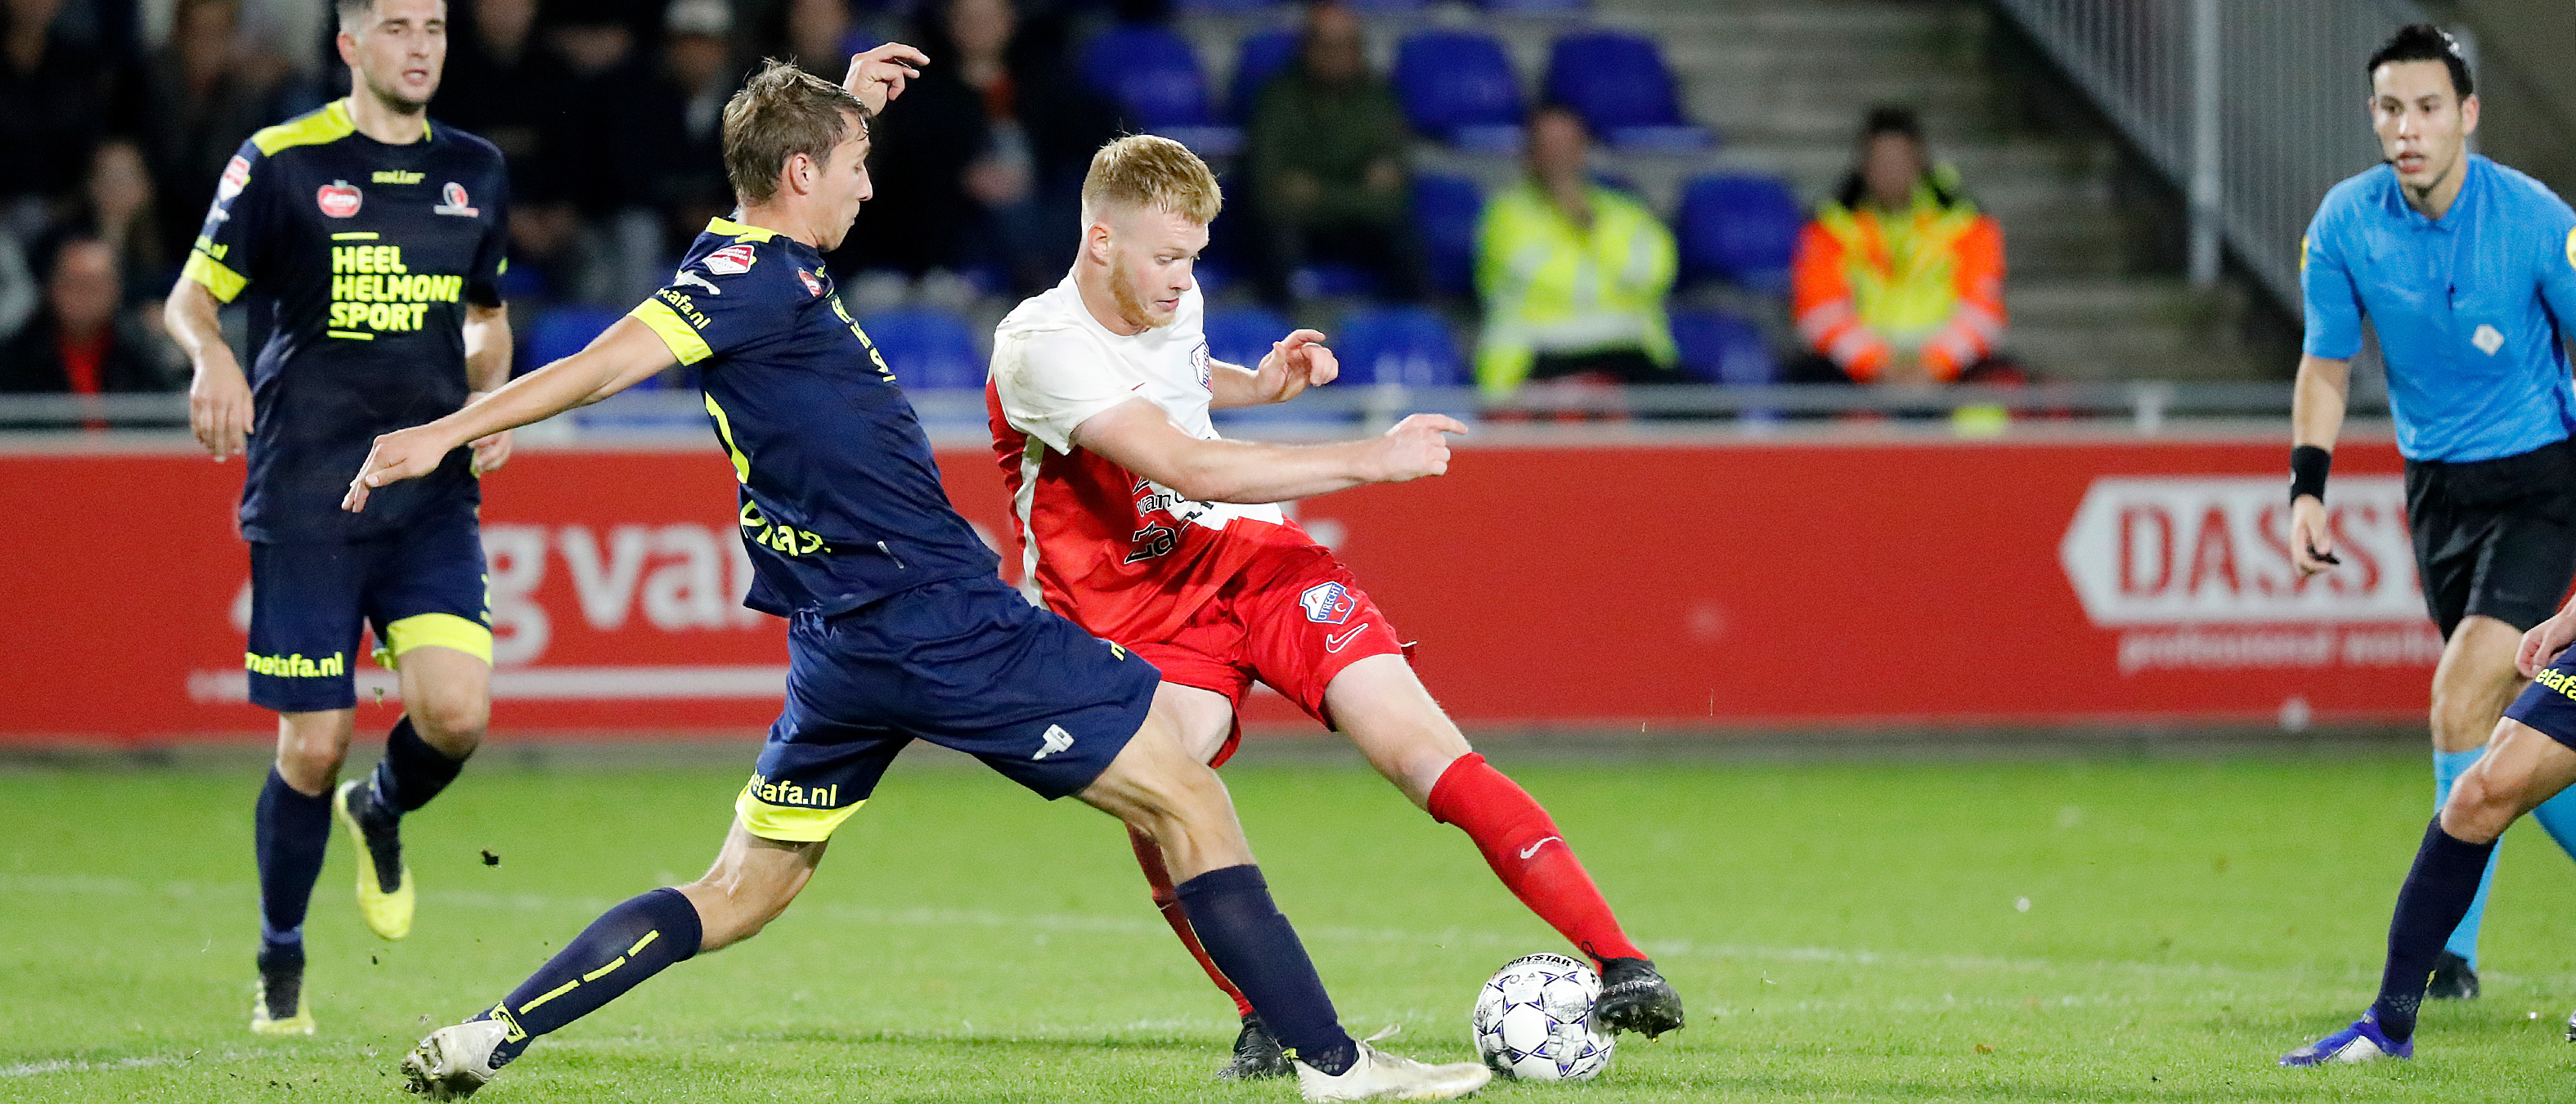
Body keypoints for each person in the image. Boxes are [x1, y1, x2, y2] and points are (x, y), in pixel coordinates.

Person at [354, 56, 1491, 1104]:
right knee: (1187, 792)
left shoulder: (748, 259)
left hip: (841, 644)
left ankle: (487, 1034)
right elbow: (605, 366)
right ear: (798, 174)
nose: (865, 186)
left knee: (743, 889)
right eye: (850, 167)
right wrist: (444, 429)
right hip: (934, 616)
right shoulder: (746, 281)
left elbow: (786, 197)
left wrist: (844, 103)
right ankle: (1334, 1064)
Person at [989, 133, 1685, 1079]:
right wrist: (1370, 455)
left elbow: (1180, 386)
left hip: (1255, 560)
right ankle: (1262, 1015)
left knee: (1420, 750)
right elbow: (1185, 461)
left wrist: (1259, 384)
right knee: (1167, 792)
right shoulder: (1039, 347)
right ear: (1100, 241)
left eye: (1193, 257)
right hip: (1134, 618)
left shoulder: (1168, 292)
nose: (1183, 278)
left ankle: (1623, 962)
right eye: (1165, 257)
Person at [161, 0, 516, 1037]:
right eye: (398, 26)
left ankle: (385, 806)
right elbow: (192, 296)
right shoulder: (279, 160)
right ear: (350, 44)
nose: (421, 46)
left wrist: (491, 403)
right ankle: (280, 963)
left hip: (428, 495)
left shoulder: (477, 170)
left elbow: (486, 321)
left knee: (457, 714)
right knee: (312, 745)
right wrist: (213, 355)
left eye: (436, 27)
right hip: (311, 495)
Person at [2280, 25, 2576, 1065]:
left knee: (2461, 692)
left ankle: (2446, 955)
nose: (2407, 130)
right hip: (2437, 495)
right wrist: (2306, 491)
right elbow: (2325, 368)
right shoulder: (2347, 224)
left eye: (2428, 109)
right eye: (2390, 111)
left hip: (2545, 480)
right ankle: (2450, 947)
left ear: (2469, 115)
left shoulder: (2537, 221)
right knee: (2518, 730)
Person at [1788, 106, 2009, 386]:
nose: (1890, 172)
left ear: (1919, 161)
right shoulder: (1830, 226)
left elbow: (1983, 310)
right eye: (1881, 161)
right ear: (1864, 166)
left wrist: (1935, 365)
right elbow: (1818, 310)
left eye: (1898, 160)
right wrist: (1875, 365)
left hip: (1949, 371)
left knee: (1997, 391)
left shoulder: (1966, 222)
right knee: (1809, 386)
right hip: (1860, 372)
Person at [1472, 104, 1678, 397]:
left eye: (1568, 144)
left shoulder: (1626, 212)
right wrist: (1609, 279)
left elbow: (1653, 275)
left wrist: (1587, 227)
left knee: (1712, 409)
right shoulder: (1505, 215)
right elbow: (1542, 280)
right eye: (1549, 145)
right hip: (1538, 356)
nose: (1559, 156)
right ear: (1530, 154)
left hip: (1627, 351)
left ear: (1584, 150)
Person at [1245, 0, 1420, 307]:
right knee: (1271, 238)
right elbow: (1269, 192)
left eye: (1349, 45)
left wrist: (1313, 191)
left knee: (1406, 240)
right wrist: (1362, 190)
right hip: (1298, 228)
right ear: (1307, 48)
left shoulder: (1378, 98)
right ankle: (1278, 335)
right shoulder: (1277, 98)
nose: (1339, 55)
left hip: (1357, 228)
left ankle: (1407, 332)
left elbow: (1395, 193)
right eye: (1328, 46)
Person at [0, 236, 177, 395]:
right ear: (51, 287)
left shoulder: (142, 353)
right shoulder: (14, 359)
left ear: (117, 289)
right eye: (75, 283)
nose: (86, 295)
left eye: (96, 285)